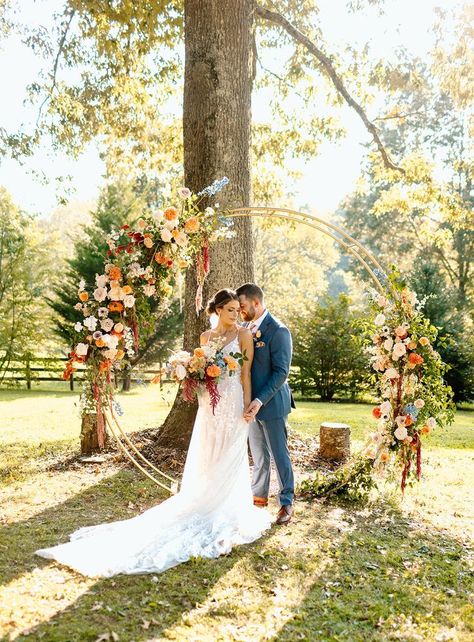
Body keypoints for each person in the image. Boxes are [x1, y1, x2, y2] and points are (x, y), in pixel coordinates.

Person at [35, 289, 272, 577]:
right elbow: (200, 373)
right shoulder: (205, 339)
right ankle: (204, 500)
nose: (237, 314)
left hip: (234, 401)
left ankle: (228, 506)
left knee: (232, 454)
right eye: (231, 310)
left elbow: (245, 374)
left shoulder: (244, 335)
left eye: (238, 309)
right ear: (219, 310)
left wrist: (248, 408)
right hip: (209, 403)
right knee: (210, 452)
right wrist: (196, 379)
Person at [236, 283, 295, 525]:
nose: (240, 311)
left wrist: (259, 400)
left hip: (271, 404)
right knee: (259, 456)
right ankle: (259, 499)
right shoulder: (246, 329)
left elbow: (282, 373)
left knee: (280, 455)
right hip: (250, 406)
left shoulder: (279, 331)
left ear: (256, 303)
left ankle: (287, 503)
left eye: (242, 306)